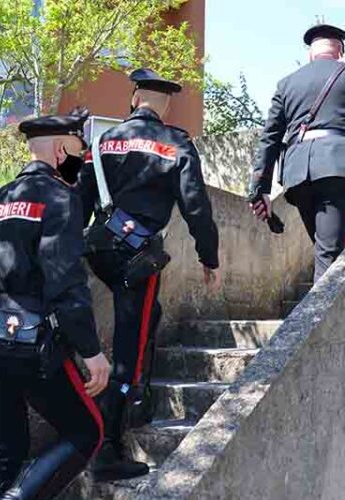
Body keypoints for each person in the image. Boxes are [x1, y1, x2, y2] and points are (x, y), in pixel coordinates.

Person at [0, 109, 111, 500]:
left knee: (3, 454)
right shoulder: (60, 197)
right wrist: (91, 352)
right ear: (60, 152)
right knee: (86, 431)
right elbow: (65, 280)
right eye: (78, 149)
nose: (82, 158)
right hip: (33, 344)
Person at [77, 68, 221, 482]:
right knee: (128, 349)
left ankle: (137, 397)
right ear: (167, 104)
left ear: (135, 97)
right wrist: (208, 256)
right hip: (136, 256)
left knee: (147, 319)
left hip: (99, 250)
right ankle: (108, 448)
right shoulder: (176, 143)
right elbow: (196, 206)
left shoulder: (103, 141)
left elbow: (81, 200)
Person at [249, 24, 345, 282]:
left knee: (326, 252)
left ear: (311, 53)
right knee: (330, 258)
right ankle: (316, 321)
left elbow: (270, 137)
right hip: (338, 169)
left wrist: (259, 188)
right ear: (339, 51)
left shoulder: (287, 83)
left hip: (297, 176)